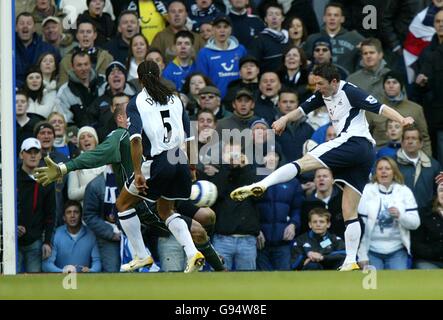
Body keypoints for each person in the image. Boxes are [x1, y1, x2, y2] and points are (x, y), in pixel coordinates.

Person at [230, 63, 415, 271]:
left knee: (303, 162)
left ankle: (262, 183)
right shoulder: (323, 93)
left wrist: (402, 119)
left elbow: (380, 107)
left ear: (334, 82)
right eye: (315, 84)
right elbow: (302, 109)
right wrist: (283, 118)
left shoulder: (350, 91)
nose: (317, 88)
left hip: (354, 143)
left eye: (321, 84)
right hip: (364, 155)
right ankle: (350, 261)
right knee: (349, 211)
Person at [34, 95, 225, 272]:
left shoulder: (150, 133)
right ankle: (218, 268)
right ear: (121, 119)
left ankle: (205, 253)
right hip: (145, 201)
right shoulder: (120, 137)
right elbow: (94, 156)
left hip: (165, 191)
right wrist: (63, 168)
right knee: (198, 231)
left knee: (208, 216)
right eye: (134, 113)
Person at [358, 157, 420, 270]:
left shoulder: (404, 191)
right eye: (380, 168)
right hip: (370, 250)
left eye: (388, 168)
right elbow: (360, 227)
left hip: (397, 250)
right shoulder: (366, 191)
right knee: (372, 286)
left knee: (398, 285)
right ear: (375, 172)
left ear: (394, 172)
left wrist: (400, 216)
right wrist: (361, 255)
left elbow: (415, 223)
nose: (384, 171)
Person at [17, 138, 55, 272]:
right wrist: (12, 227)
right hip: (12, 239)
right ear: (22, 154)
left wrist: (47, 242)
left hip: (35, 241)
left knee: (33, 285)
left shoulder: (47, 180)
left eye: (36, 152)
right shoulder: (12, 178)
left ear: (41, 155)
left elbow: (51, 215)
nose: (33, 155)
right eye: (29, 152)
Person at [42, 200, 102, 273]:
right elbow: (46, 264)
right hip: (59, 280)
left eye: (76, 212)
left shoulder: (91, 235)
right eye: (69, 212)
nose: (72, 216)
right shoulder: (56, 234)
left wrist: (91, 270)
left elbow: (97, 262)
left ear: (81, 216)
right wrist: (63, 271)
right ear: (64, 217)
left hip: (85, 280)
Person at [411, 182, 443, 269]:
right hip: (429, 261)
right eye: (441, 190)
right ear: (436, 194)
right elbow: (416, 244)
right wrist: (434, 252)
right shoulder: (424, 214)